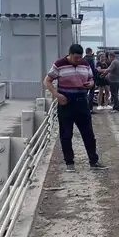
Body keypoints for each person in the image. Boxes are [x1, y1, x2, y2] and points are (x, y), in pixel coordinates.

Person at [44, 43, 107, 172]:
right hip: (66, 103)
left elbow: (92, 80)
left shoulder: (85, 64)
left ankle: (94, 162)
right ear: (70, 54)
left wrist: (90, 84)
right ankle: (69, 163)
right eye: (75, 58)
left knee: (88, 134)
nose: (78, 60)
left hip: (82, 102)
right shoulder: (59, 64)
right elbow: (47, 81)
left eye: (80, 57)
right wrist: (56, 94)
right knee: (66, 135)